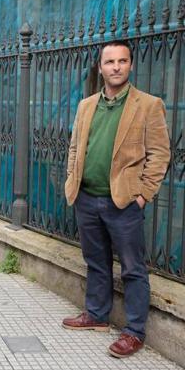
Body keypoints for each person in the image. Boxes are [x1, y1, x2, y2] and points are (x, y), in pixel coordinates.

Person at [62, 40, 170, 358]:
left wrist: (143, 195)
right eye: (110, 62)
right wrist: (73, 180)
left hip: (123, 203)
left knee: (133, 269)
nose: (116, 67)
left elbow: (160, 154)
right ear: (101, 67)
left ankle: (134, 332)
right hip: (87, 198)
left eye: (123, 61)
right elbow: (74, 147)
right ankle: (96, 315)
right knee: (95, 262)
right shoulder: (87, 105)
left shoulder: (148, 105)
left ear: (131, 65)